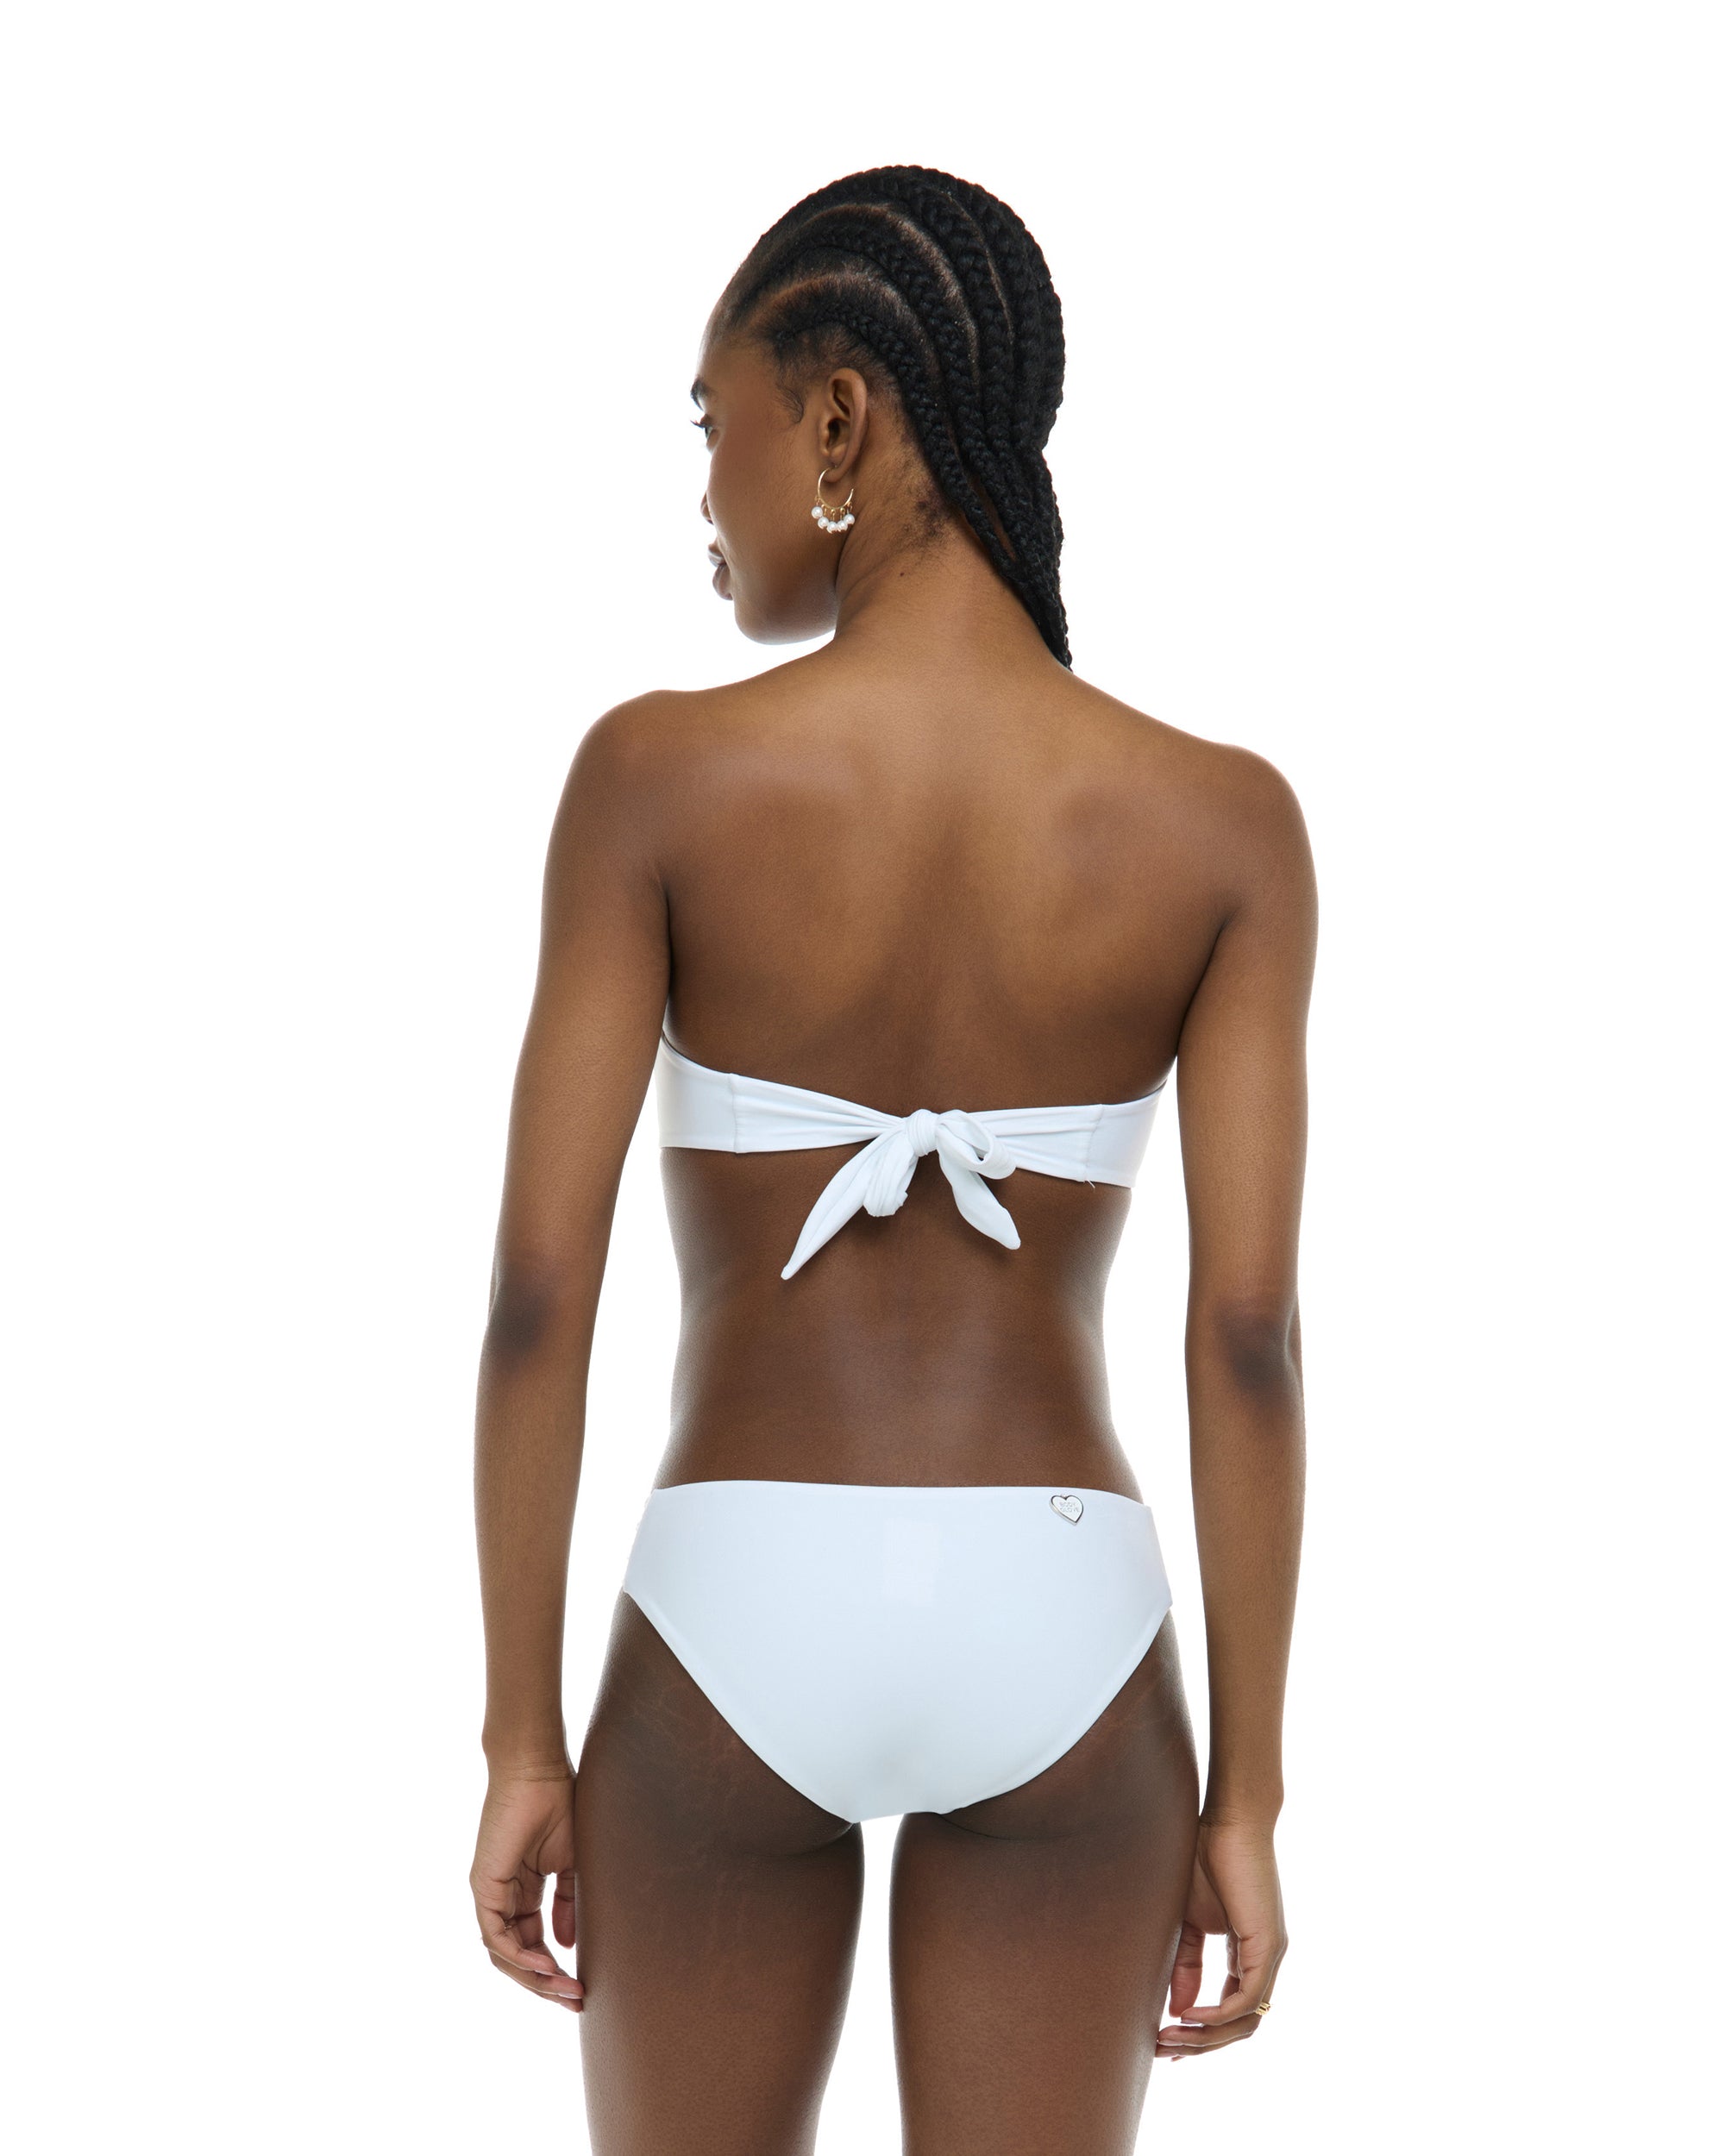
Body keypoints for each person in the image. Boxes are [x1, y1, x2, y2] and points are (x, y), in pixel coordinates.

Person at [469, 166, 1314, 2156]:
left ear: (837, 420)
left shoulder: (657, 777)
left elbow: (538, 1295)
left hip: (733, 1602)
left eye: (714, 423)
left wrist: (519, 1735)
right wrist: (1247, 1794)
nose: (704, 494)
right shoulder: (1223, 823)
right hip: (1066, 1614)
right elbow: (1248, 1334)